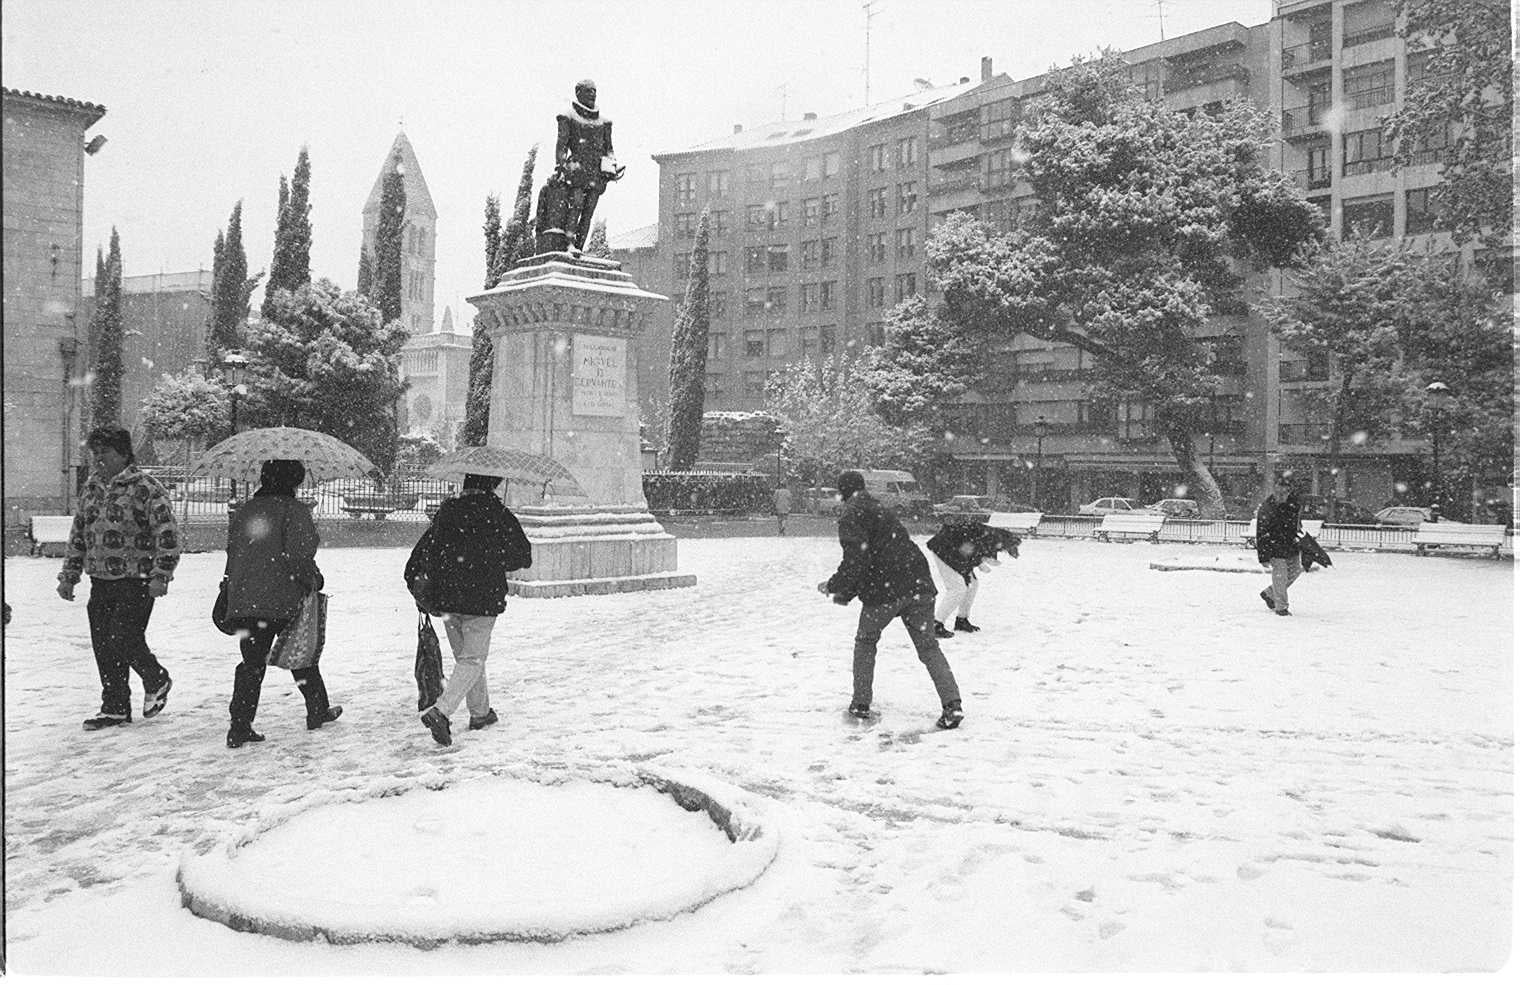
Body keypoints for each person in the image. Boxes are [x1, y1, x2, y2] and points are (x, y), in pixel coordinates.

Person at [817, 470, 964, 730]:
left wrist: (835, 587)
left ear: (843, 493)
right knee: (928, 647)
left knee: (865, 642)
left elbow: (856, 560)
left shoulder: (851, 515)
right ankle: (952, 704)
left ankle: (861, 703)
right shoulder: (881, 509)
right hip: (918, 582)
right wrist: (845, 590)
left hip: (884, 589)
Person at [57, 425, 180, 730]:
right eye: (95, 452)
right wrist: (69, 575)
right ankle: (114, 707)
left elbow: (167, 534)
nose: (99, 459)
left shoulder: (146, 488)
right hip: (101, 579)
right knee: (104, 644)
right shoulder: (92, 487)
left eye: (105, 452)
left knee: (122, 637)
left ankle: (156, 678)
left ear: (123, 454)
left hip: (135, 578)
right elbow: (79, 533)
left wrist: (161, 574)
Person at [406, 473, 533, 746]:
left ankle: (480, 714)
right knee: (472, 660)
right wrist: (492, 552)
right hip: (482, 597)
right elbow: (523, 556)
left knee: (468, 659)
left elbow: (429, 550)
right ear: (492, 484)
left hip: (448, 598)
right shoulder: (497, 513)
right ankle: (442, 711)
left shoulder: (448, 511)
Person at [222, 459, 340, 748]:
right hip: (284, 597)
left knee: (251, 663)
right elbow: (300, 556)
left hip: (246, 599)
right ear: (292, 482)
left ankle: (240, 724)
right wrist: (314, 580)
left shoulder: (246, 510)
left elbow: (233, 551)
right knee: (301, 654)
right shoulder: (293, 511)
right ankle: (317, 710)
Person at [532, 79, 625, 254]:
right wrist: (559, 166)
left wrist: (612, 167)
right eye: (588, 91)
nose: (593, 94)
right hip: (577, 170)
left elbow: (609, 150)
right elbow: (562, 145)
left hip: (596, 173)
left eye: (595, 91)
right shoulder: (568, 117)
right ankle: (569, 242)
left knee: (588, 211)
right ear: (578, 93)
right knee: (576, 205)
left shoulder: (604, 123)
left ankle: (579, 246)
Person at [926, 519, 1021, 637]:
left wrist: (982, 560)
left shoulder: (992, 537)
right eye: (1003, 548)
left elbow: (973, 551)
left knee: (972, 585)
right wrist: (980, 562)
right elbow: (966, 550)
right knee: (957, 588)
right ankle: (936, 624)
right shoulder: (988, 537)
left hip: (955, 552)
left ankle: (962, 620)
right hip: (943, 550)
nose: (1001, 550)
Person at [1256, 474, 1304, 616]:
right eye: (1277, 492)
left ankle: (1269, 593)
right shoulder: (1267, 508)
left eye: (1283, 492)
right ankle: (1281, 607)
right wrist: (1263, 556)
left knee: (1295, 571)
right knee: (1280, 576)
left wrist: (1301, 540)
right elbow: (1261, 532)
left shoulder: (1294, 505)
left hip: (1290, 546)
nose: (1280, 495)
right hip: (1274, 547)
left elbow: (1296, 525)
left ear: (1289, 492)